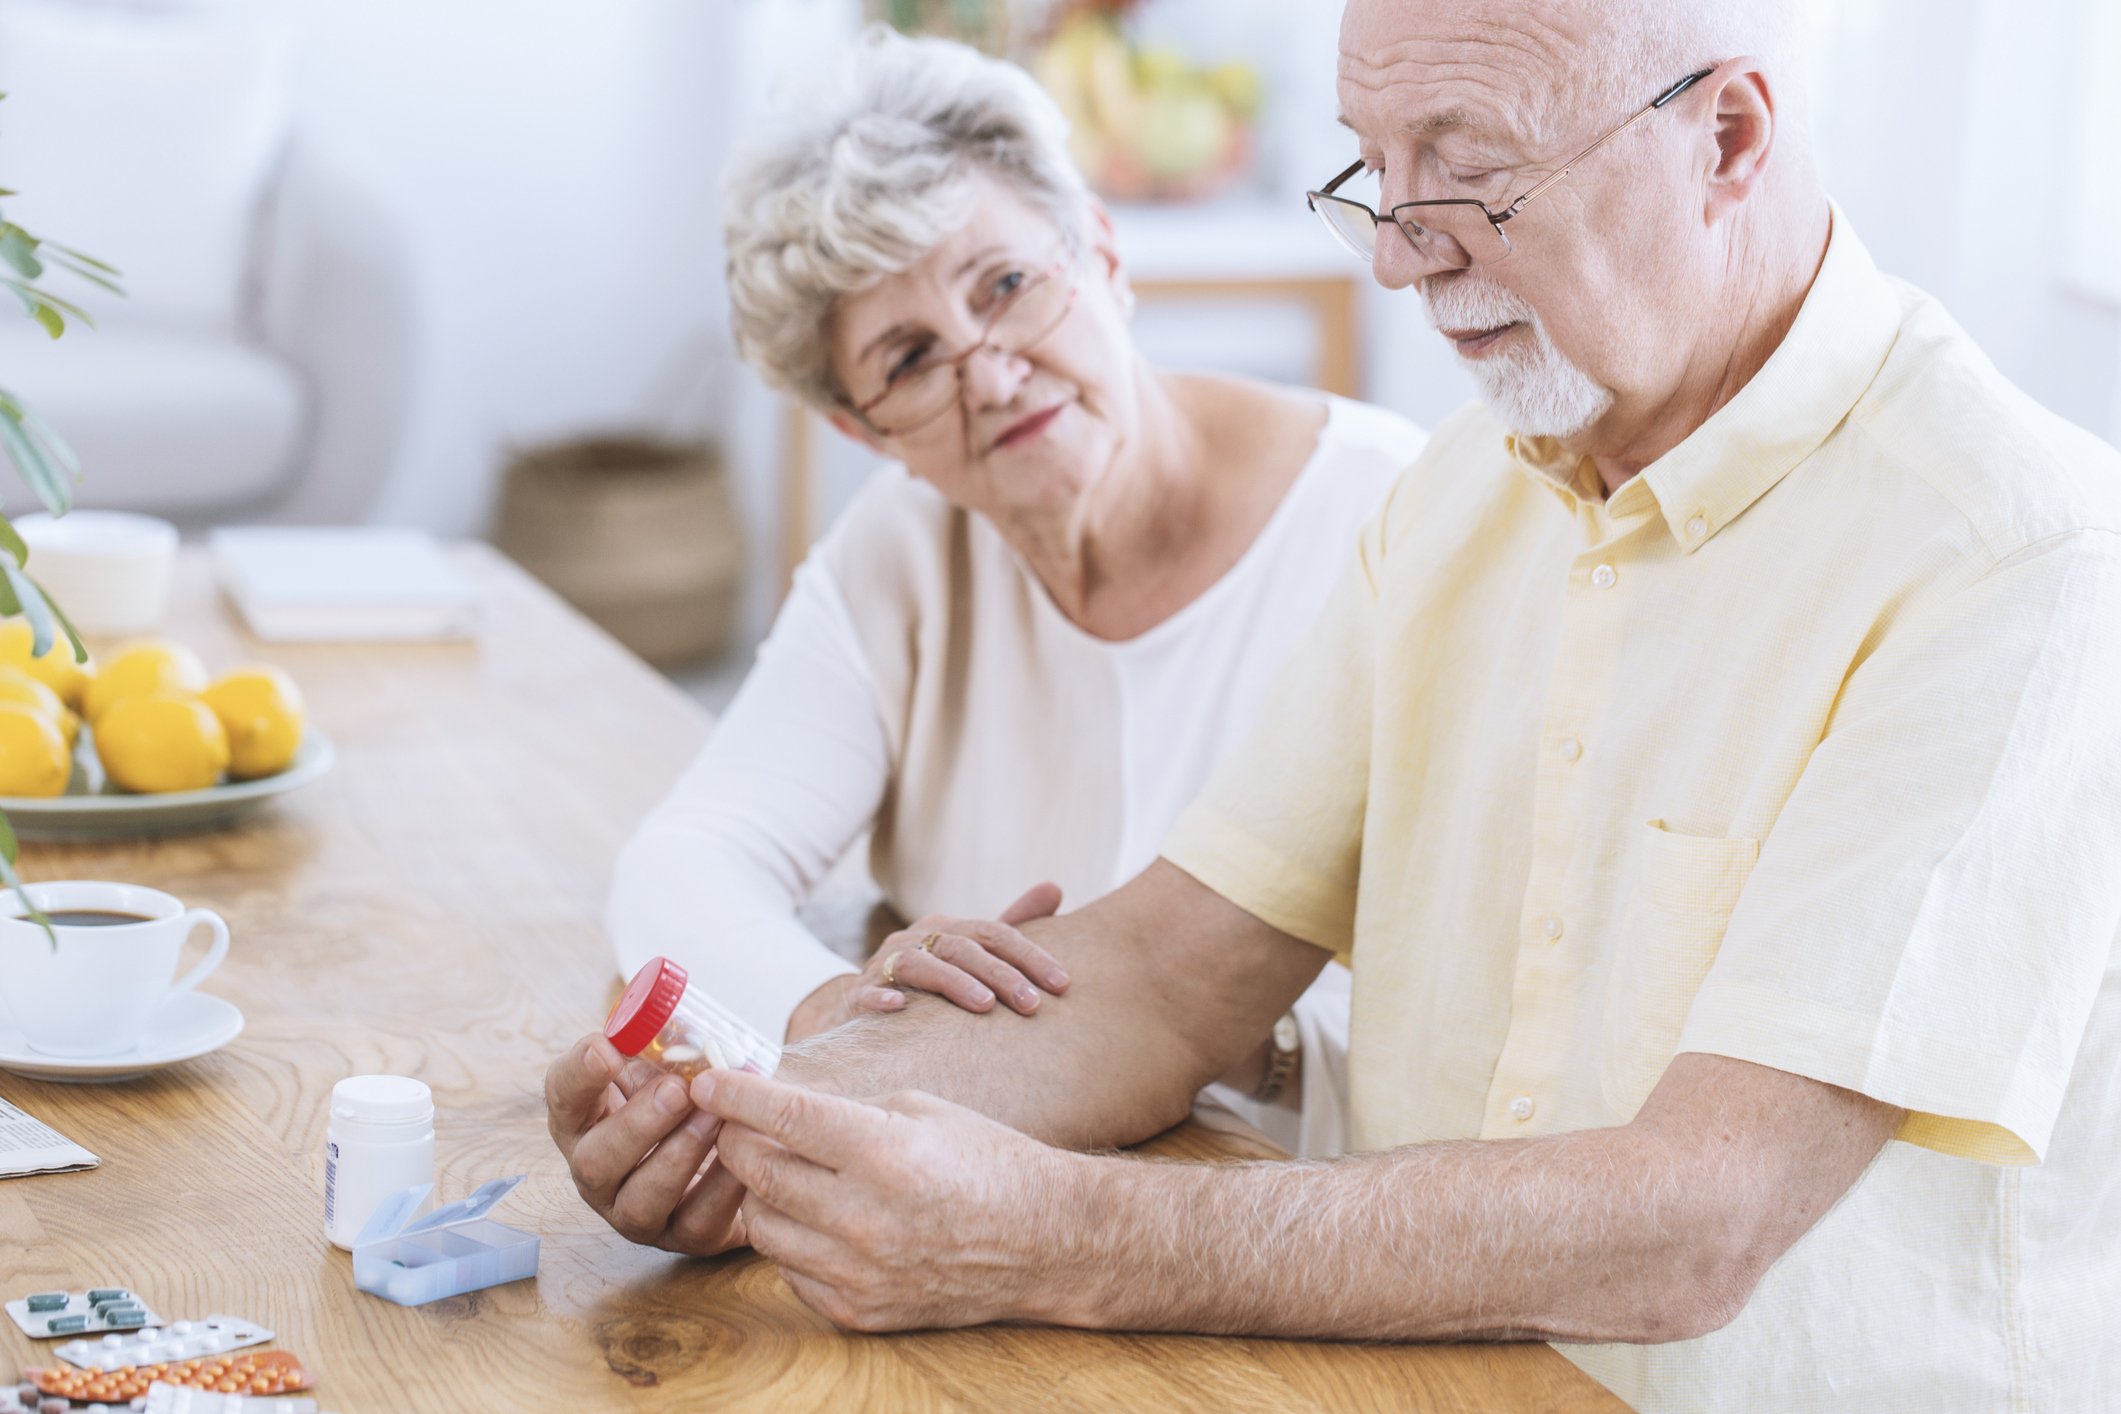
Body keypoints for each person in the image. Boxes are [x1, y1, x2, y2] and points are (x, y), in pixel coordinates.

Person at [549, 1, 2121, 1409]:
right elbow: (1167, 978)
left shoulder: (2020, 554)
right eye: (1374, 168)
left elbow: (1696, 1223)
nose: (1395, 252)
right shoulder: (1459, 497)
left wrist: (1063, 1233)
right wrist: (747, 1116)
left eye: (1469, 171)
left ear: (1726, 135)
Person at [603, 26, 1426, 1158]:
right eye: (906, 358)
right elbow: (683, 862)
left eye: (1005, 285)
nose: (988, 374)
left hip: (1290, 1219)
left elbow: (1490, 1010)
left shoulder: (1391, 518)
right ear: (861, 426)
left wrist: (1231, 1034)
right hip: (967, 1204)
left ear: (1101, 253)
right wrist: (834, 1016)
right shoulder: (900, 554)